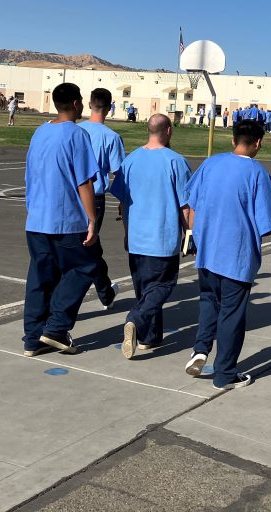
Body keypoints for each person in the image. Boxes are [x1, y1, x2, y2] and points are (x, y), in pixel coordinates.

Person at [184, 120, 271, 390]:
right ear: (258, 143)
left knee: (209, 301)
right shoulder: (256, 172)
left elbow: (192, 203)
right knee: (231, 315)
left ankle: (200, 348)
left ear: (233, 139)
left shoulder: (211, 164)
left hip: (207, 251)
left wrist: (194, 234)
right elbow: (270, 221)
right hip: (236, 255)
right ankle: (225, 374)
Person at [22, 83, 117, 357]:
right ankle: (56, 327)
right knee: (85, 266)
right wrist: (91, 219)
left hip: (37, 218)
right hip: (65, 220)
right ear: (76, 104)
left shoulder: (40, 132)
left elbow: (30, 174)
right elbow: (84, 181)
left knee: (40, 278)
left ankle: (33, 338)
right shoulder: (76, 135)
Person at [110, 114, 191, 359]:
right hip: (161, 237)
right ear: (168, 131)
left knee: (145, 289)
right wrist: (190, 232)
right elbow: (185, 205)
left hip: (137, 236)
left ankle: (148, 336)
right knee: (163, 285)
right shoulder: (175, 161)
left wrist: (126, 232)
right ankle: (136, 318)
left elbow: (123, 204)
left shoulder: (131, 159)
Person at [78, 87, 127, 270]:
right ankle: (102, 288)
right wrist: (123, 202)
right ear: (108, 107)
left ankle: (104, 288)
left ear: (90, 104)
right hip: (94, 197)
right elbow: (119, 172)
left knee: (79, 244)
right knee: (90, 246)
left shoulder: (76, 130)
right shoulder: (111, 137)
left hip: (73, 194)